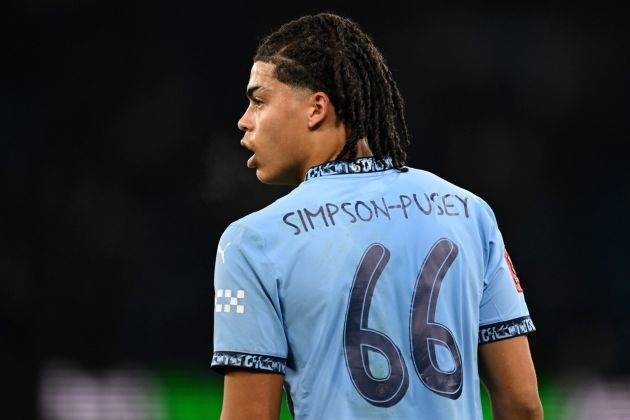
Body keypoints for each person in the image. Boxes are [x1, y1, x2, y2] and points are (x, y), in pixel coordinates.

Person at [211, 13, 543, 420]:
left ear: (316, 108)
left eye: (259, 100)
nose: (244, 120)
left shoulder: (252, 242)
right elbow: (522, 404)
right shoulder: (469, 213)